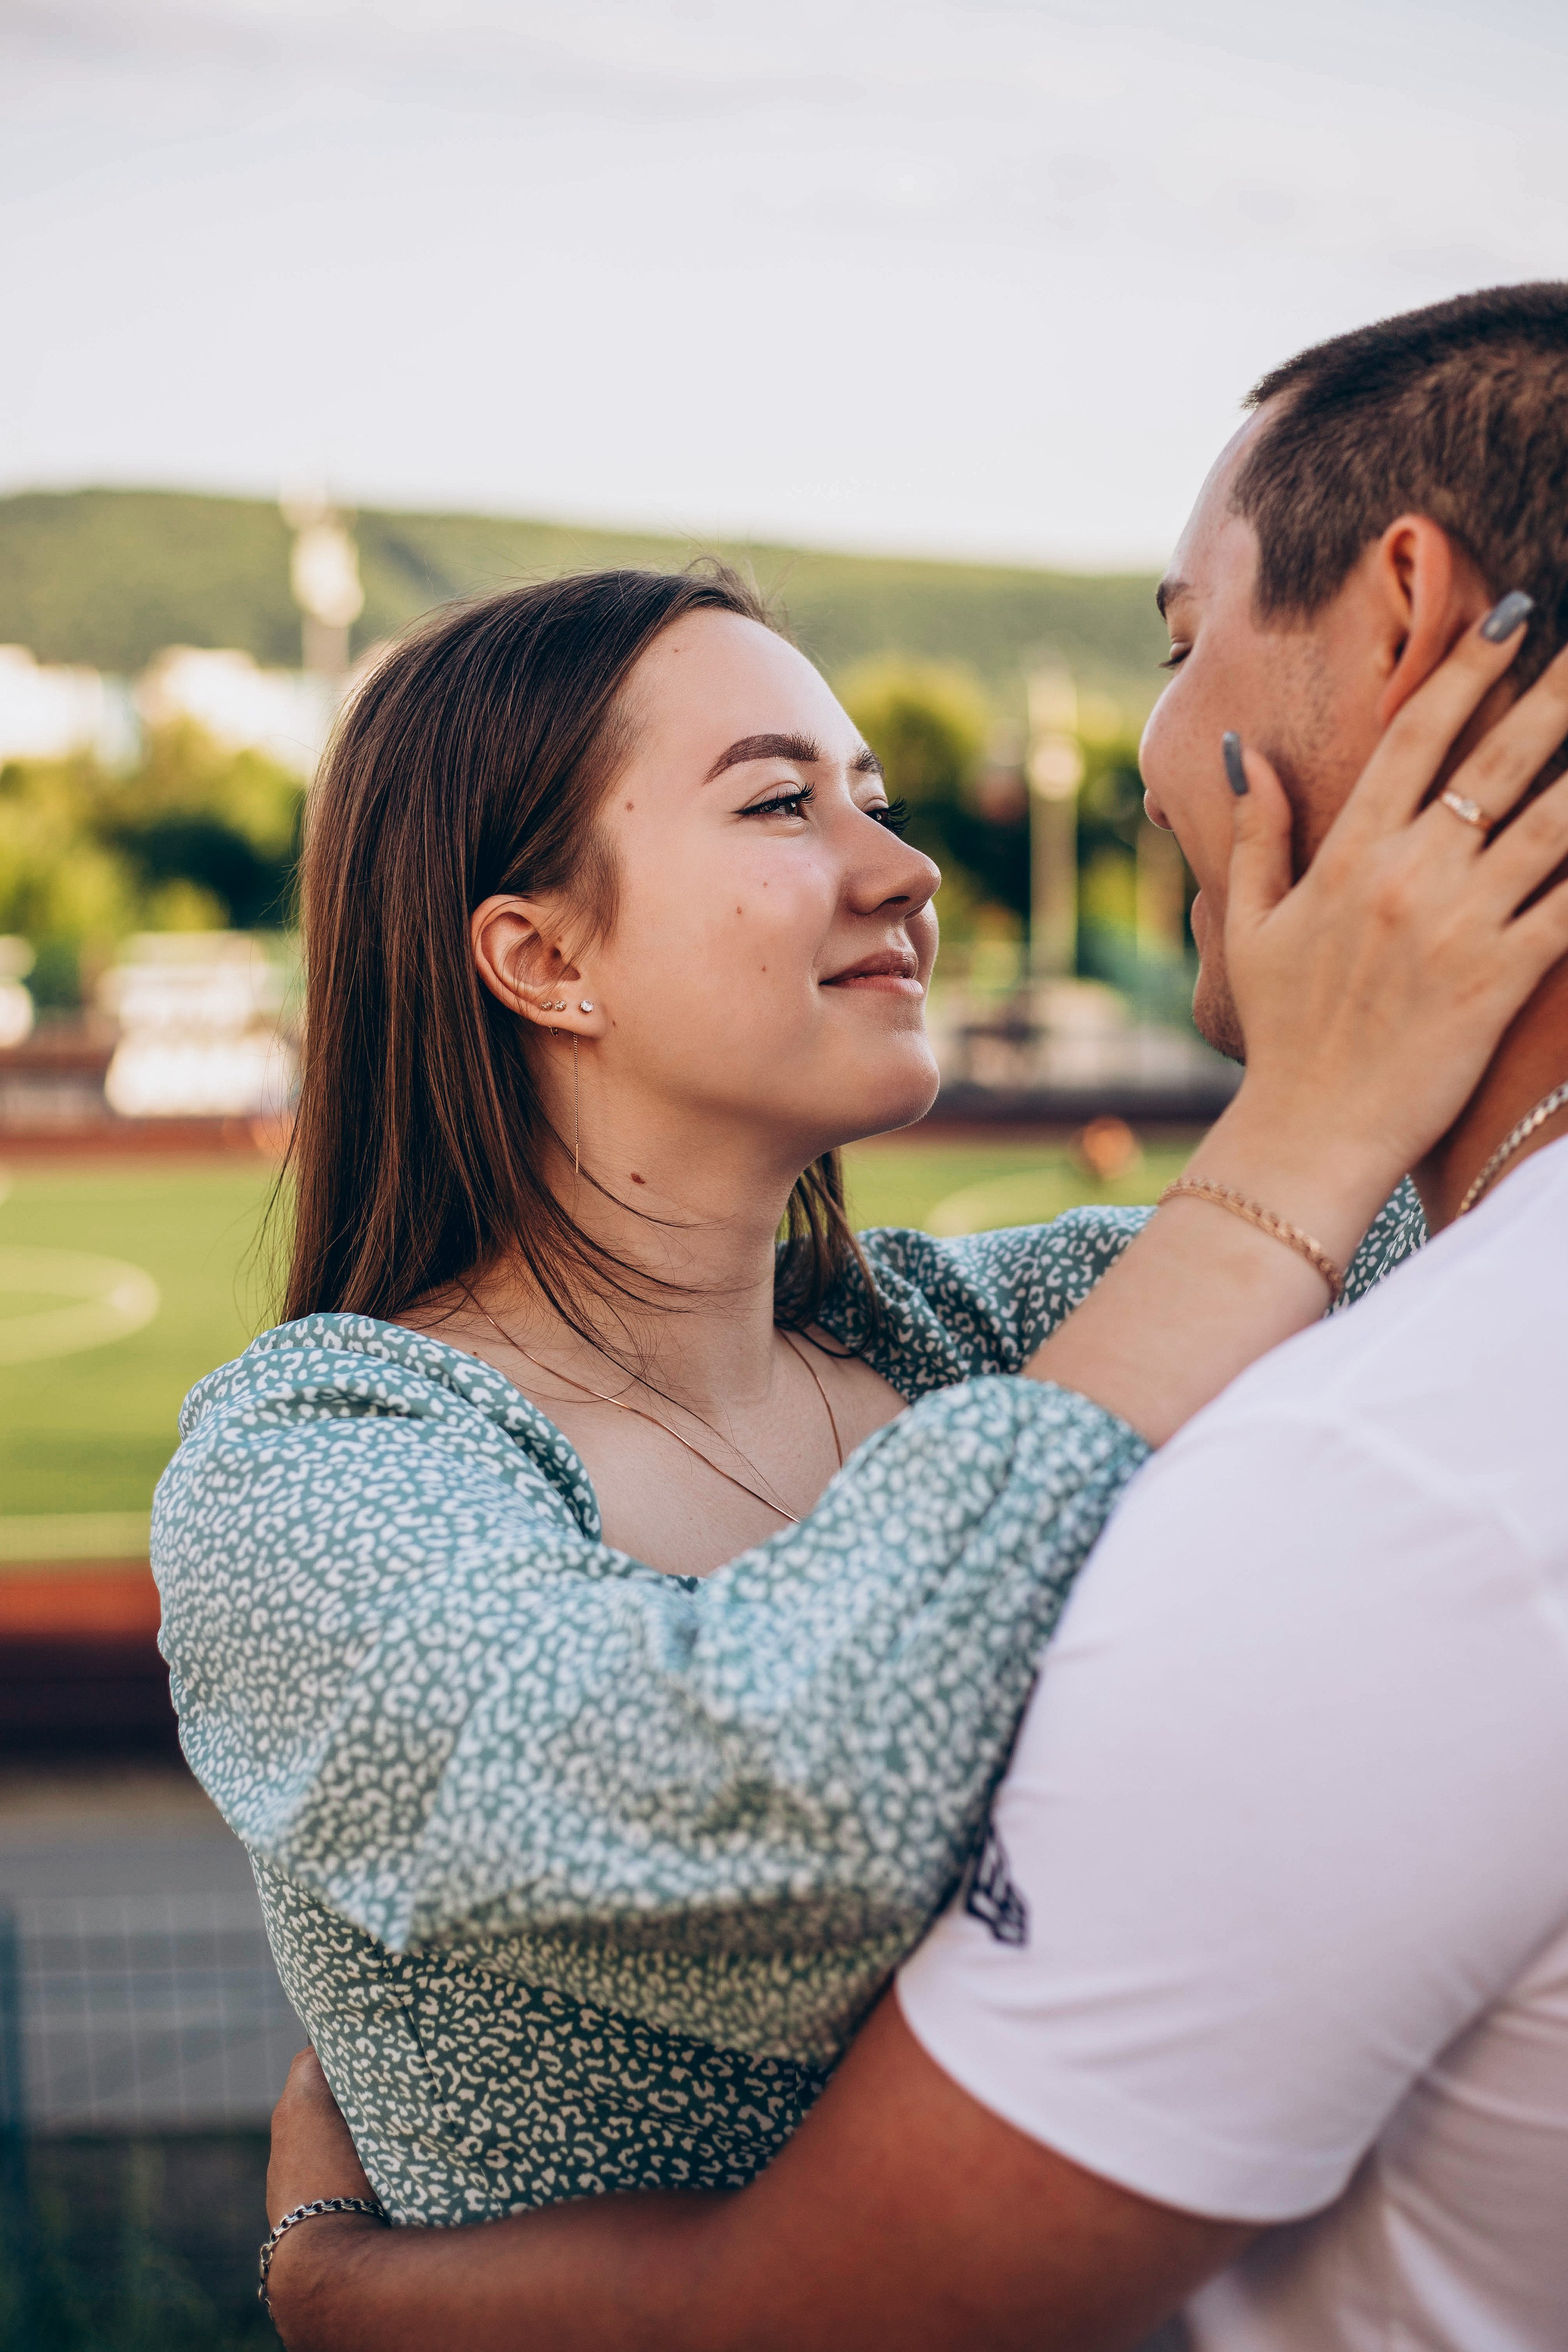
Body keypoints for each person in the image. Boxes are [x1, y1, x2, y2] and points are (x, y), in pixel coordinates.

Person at [259, 283, 1568, 2352]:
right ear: (537, 956)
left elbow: (1501, 1250)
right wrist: (1296, 1138)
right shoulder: (321, 1471)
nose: (907, 863)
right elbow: (772, 1815)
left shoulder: (995, 1327)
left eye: (872, 787)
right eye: (788, 805)